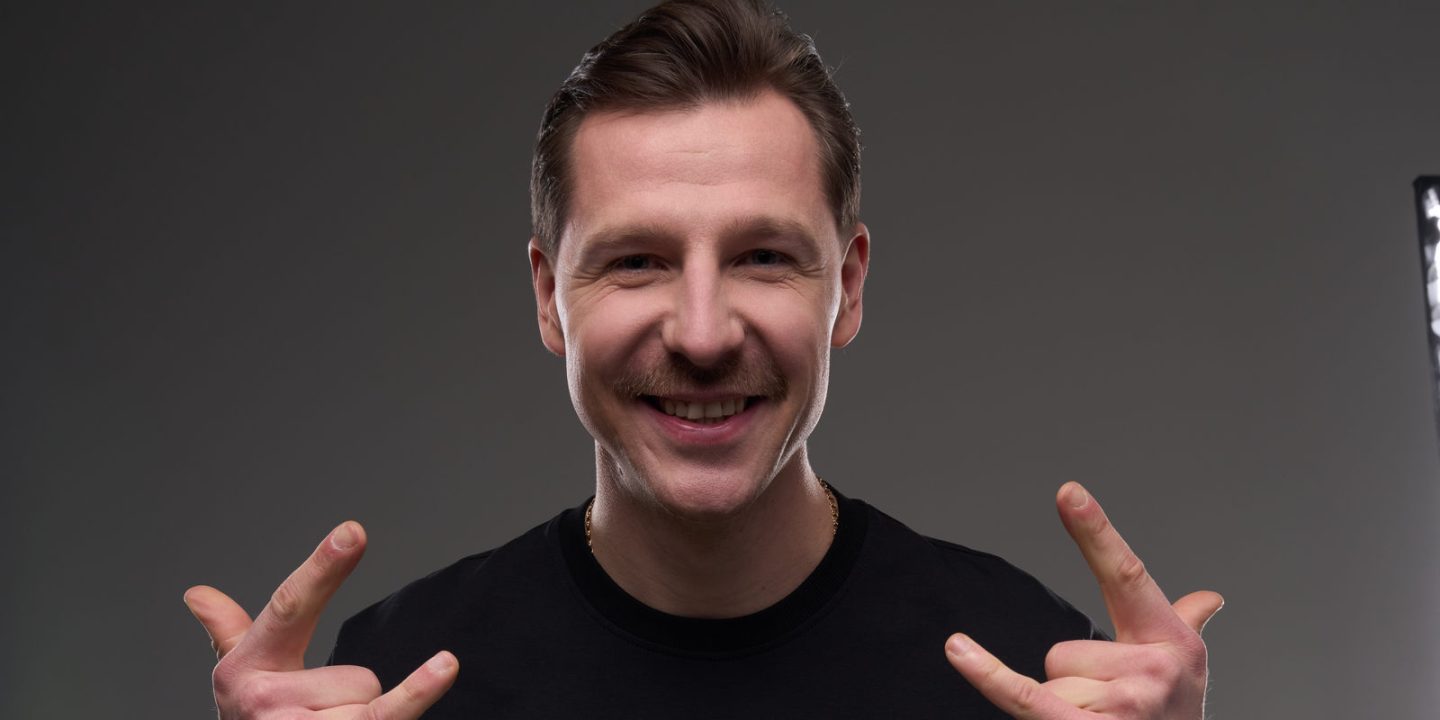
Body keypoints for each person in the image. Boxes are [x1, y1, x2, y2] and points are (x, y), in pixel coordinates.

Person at [183, 1, 1222, 717]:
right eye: (636, 261)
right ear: (549, 297)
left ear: (848, 287)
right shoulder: (397, 680)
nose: (703, 333)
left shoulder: (1028, 667)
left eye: (763, 257)